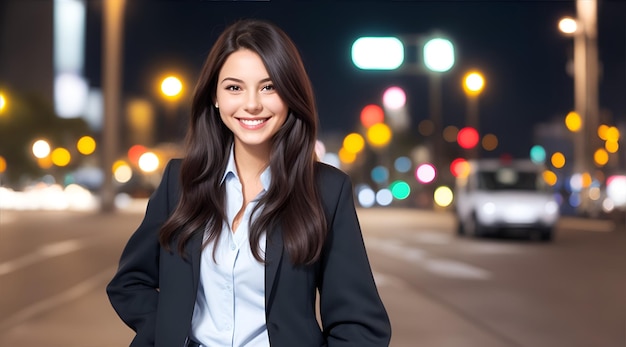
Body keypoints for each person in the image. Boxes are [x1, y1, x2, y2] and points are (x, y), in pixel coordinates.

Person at [106, 18, 391, 347]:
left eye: (269, 87)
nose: (252, 103)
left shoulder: (326, 191)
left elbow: (361, 325)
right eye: (234, 87)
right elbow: (130, 282)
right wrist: (167, 332)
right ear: (215, 97)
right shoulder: (179, 181)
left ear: (290, 95)